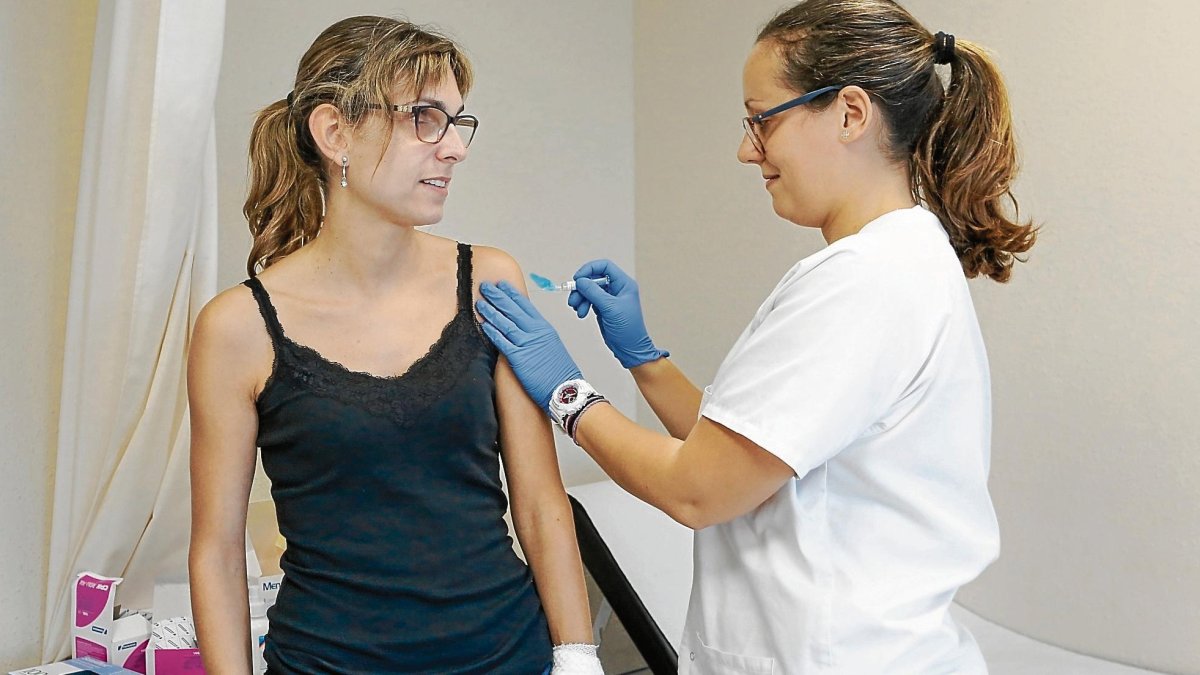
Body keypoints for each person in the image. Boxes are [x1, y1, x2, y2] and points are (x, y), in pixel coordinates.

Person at [475, 0, 1037, 672]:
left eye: (761, 120)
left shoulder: (866, 280)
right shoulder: (894, 261)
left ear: (850, 113)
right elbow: (744, 448)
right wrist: (642, 357)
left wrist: (564, 392)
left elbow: (697, 489)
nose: (748, 149)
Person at [187, 16, 601, 674]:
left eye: (455, 122)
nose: (454, 148)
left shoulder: (489, 281)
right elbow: (215, 547)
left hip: (506, 655)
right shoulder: (237, 327)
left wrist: (577, 654)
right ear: (335, 133)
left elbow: (541, 499)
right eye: (423, 118)